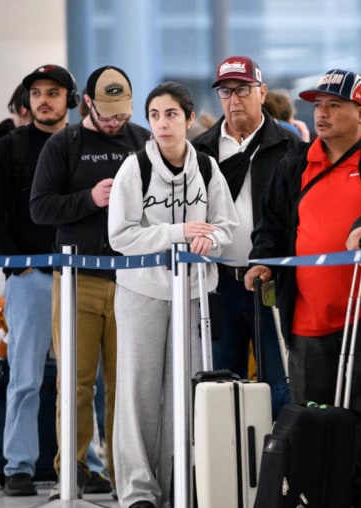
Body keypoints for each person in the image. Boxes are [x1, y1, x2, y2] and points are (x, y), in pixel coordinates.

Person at [245, 69, 361, 507]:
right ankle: (315, 497)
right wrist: (263, 260)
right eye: (318, 105)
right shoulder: (294, 162)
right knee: (311, 419)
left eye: (334, 105)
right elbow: (273, 225)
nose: (323, 113)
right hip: (306, 315)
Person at [108, 80, 237, 508]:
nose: (163, 124)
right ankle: (138, 492)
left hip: (193, 295)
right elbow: (120, 236)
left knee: (185, 393)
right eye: (155, 115)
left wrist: (210, 240)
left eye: (172, 115)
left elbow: (226, 225)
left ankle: (178, 485)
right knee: (138, 393)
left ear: (187, 117)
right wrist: (178, 233)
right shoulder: (134, 168)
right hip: (141, 293)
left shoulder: (207, 166)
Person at [30, 65, 151, 500]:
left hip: (132, 280)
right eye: (108, 113)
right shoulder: (64, 145)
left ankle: (126, 473)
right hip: (78, 278)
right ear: (87, 104)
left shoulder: (141, 141)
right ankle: (73, 469)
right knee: (76, 383)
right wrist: (90, 200)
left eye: (122, 112)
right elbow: (40, 208)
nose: (116, 121)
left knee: (126, 383)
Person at [0, 64, 78, 496]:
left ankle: (82, 461)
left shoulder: (85, 146)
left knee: (82, 378)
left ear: (69, 99)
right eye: (36, 92)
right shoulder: (7, 149)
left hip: (80, 275)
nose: (43, 100)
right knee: (24, 375)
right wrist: (17, 264)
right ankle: (18, 465)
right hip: (31, 274)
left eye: (53, 92)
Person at [191, 56, 296, 393]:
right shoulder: (200, 150)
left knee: (280, 384)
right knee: (221, 385)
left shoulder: (289, 146)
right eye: (225, 91)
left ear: (262, 92)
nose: (234, 99)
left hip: (271, 282)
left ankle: (277, 447)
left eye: (242, 89)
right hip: (219, 283)